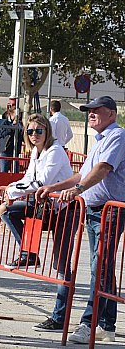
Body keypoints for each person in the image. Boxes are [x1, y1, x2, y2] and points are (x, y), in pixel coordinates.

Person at [36, 96, 125, 343]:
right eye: (89, 111)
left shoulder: (116, 136)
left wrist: (77, 190)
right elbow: (82, 174)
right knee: (102, 267)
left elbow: (103, 169)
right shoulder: (101, 140)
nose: (91, 114)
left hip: (110, 211)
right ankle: (105, 325)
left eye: (96, 110)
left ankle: (90, 323)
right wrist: (55, 187)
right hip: (97, 210)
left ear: (112, 114)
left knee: (101, 266)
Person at [0, 114, 75, 332]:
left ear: (47, 132)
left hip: (66, 210)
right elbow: (28, 178)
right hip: (47, 207)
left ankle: (59, 317)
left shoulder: (56, 151)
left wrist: (12, 191)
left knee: (61, 265)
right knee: (7, 211)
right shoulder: (35, 151)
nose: (34, 135)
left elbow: (43, 181)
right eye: (30, 132)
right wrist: (11, 190)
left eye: (38, 131)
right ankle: (29, 253)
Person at [0, 98, 22, 172]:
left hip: (15, 151)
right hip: (5, 150)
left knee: (16, 171)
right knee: (4, 171)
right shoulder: (5, 123)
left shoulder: (20, 124)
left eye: (19, 114)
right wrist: (13, 126)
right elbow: (4, 134)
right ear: (11, 114)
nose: (18, 116)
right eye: (16, 114)